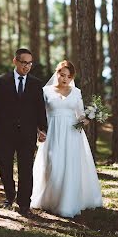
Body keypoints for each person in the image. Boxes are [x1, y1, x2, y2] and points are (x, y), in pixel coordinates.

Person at [31, 60, 103, 218]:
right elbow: (38, 114)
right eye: (62, 74)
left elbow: (80, 115)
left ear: (72, 78)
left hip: (72, 134)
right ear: (56, 73)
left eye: (68, 76)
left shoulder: (76, 92)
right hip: (52, 132)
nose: (64, 79)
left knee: (69, 166)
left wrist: (89, 116)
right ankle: (49, 199)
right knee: (53, 165)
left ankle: (67, 203)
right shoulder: (46, 91)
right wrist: (39, 131)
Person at [0, 48, 47, 216]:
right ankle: (9, 196)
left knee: (26, 170)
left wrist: (42, 129)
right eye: (24, 63)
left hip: (27, 135)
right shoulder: (1, 81)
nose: (27, 66)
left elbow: (39, 109)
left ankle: (24, 204)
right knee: (4, 166)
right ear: (15, 61)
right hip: (4, 135)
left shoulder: (36, 84)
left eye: (30, 63)